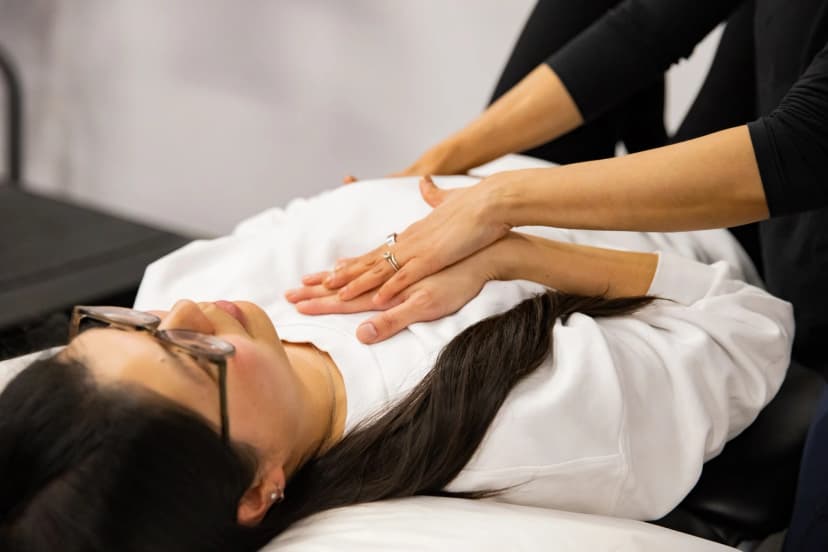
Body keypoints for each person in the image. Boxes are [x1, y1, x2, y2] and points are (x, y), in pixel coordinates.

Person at [0, 175, 791, 551]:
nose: (185, 312)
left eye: (123, 326)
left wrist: (459, 184)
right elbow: (750, 327)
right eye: (194, 359)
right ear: (254, 487)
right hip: (722, 214)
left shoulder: (184, 293)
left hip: (542, 168)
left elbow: (295, 214)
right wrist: (521, 248)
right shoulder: (520, 424)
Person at [295, 1, 828, 550]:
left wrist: (501, 221)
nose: (196, 318)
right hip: (672, 209)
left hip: (767, 234)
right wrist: (429, 171)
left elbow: (805, 147)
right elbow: (651, 23)